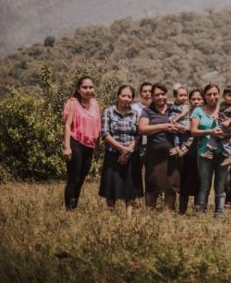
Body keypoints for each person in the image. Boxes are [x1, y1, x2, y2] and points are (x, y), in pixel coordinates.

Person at [138, 83, 184, 210]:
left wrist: (181, 128)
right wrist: (163, 126)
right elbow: (142, 129)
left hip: (173, 153)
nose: (160, 97)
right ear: (152, 96)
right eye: (156, 95)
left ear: (166, 94)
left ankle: (167, 214)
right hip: (154, 155)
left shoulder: (173, 108)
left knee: (171, 185)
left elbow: (186, 123)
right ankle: (150, 212)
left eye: (162, 94)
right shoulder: (147, 110)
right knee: (152, 184)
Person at [99, 84, 142, 216]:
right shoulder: (109, 111)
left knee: (130, 186)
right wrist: (122, 149)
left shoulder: (136, 113)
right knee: (111, 184)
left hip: (131, 155)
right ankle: (110, 214)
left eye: (129, 96)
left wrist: (128, 150)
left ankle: (129, 215)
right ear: (118, 96)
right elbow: (105, 133)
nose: (126, 98)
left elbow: (139, 134)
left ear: (133, 99)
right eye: (123, 95)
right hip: (113, 154)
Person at [191, 84, 231, 216]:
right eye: (209, 94)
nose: (212, 97)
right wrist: (210, 131)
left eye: (215, 94)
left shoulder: (225, 109)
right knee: (204, 186)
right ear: (204, 96)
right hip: (204, 153)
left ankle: (219, 214)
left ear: (219, 94)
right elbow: (193, 131)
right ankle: (201, 213)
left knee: (221, 188)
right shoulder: (198, 111)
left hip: (223, 154)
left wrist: (224, 135)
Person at [62, 76, 101, 210]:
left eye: (91, 87)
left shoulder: (95, 104)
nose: (88, 90)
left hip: (89, 146)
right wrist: (67, 147)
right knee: (74, 179)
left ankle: (74, 207)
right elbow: (67, 125)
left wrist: (97, 147)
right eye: (85, 87)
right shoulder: (73, 103)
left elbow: (97, 126)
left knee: (81, 180)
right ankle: (69, 211)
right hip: (75, 143)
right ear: (78, 89)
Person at [178, 89, 203, 214]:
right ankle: (182, 210)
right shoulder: (184, 113)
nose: (196, 101)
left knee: (200, 182)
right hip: (186, 153)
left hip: (201, 152)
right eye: (193, 99)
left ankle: (197, 211)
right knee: (184, 182)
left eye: (199, 99)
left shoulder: (206, 113)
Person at [202, 88, 231, 167]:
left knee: (223, 139)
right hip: (221, 124)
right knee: (218, 137)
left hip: (229, 125)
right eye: (229, 95)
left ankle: (224, 155)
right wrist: (216, 116)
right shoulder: (222, 104)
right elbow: (219, 113)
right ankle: (212, 152)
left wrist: (229, 121)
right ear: (223, 96)